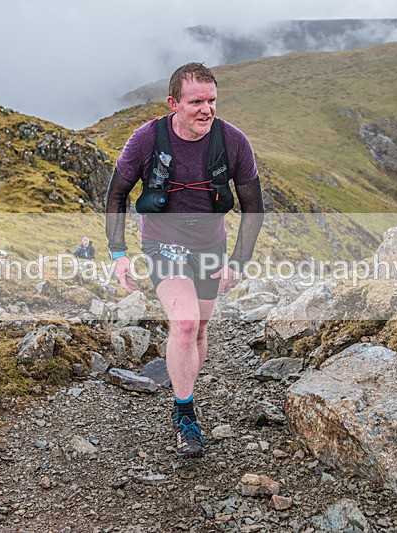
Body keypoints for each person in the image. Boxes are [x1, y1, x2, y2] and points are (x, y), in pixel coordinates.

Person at [105, 62, 264, 458]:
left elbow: (253, 207)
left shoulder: (233, 142)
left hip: (211, 248)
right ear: (174, 103)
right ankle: (185, 414)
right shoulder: (145, 141)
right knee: (186, 321)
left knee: (200, 330)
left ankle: (184, 388)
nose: (206, 109)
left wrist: (238, 262)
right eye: (196, 102)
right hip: (163, 244)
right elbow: (116, 195)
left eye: (211, 100)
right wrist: (119, 254)